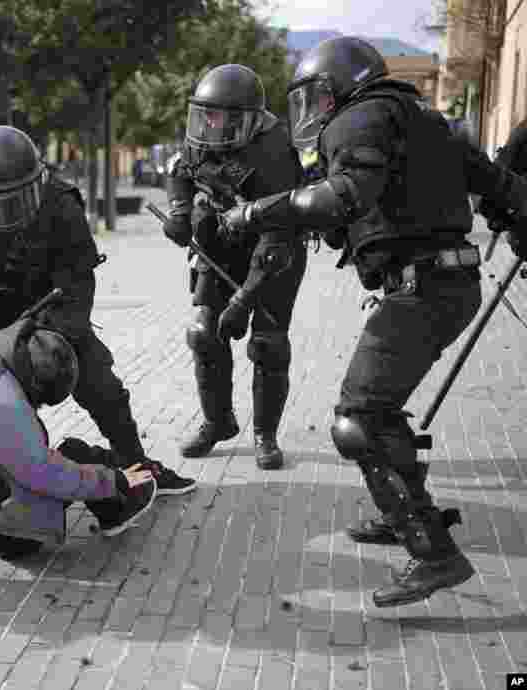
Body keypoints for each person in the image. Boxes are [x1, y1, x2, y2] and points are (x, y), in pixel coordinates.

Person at [217, 36, 527, 606]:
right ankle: (401, 514)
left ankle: (433, 553)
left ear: (337, 88)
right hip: (450, 284)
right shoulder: (427, 120)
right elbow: (504, 188)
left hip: (422, 288)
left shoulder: (358, 118)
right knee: (381, 408)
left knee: (357, 418)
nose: (312, 113)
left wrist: (254, 211)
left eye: (315, 98)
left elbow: (342, 197)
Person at [0, 125, 195, 535]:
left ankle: (138, 467)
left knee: (104, 389)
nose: (5, 213)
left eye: (16, 200)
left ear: (38, 181)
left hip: (49, 318)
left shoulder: (62, 203)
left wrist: (40, 342)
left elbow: (78, 286)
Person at [0, 316, 158, 558]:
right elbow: (43, 472)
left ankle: (122, 473)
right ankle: (117, 507)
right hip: (10, 538)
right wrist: (113, 481)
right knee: (74, 452)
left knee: (51, 452)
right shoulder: (4, 406)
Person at [163, 64, 307, 470]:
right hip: (219, 248)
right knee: (203, 333)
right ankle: (217, 422)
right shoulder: (202, 134)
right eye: (207, 116)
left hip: (274, 255)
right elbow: (180, 172)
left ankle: (265, 434)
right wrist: (178, 212)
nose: (213, 127)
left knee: (267, 344)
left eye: (223, 119)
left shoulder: (276, 152)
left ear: (252, 119)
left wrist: (243, 300)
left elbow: (277, 240)